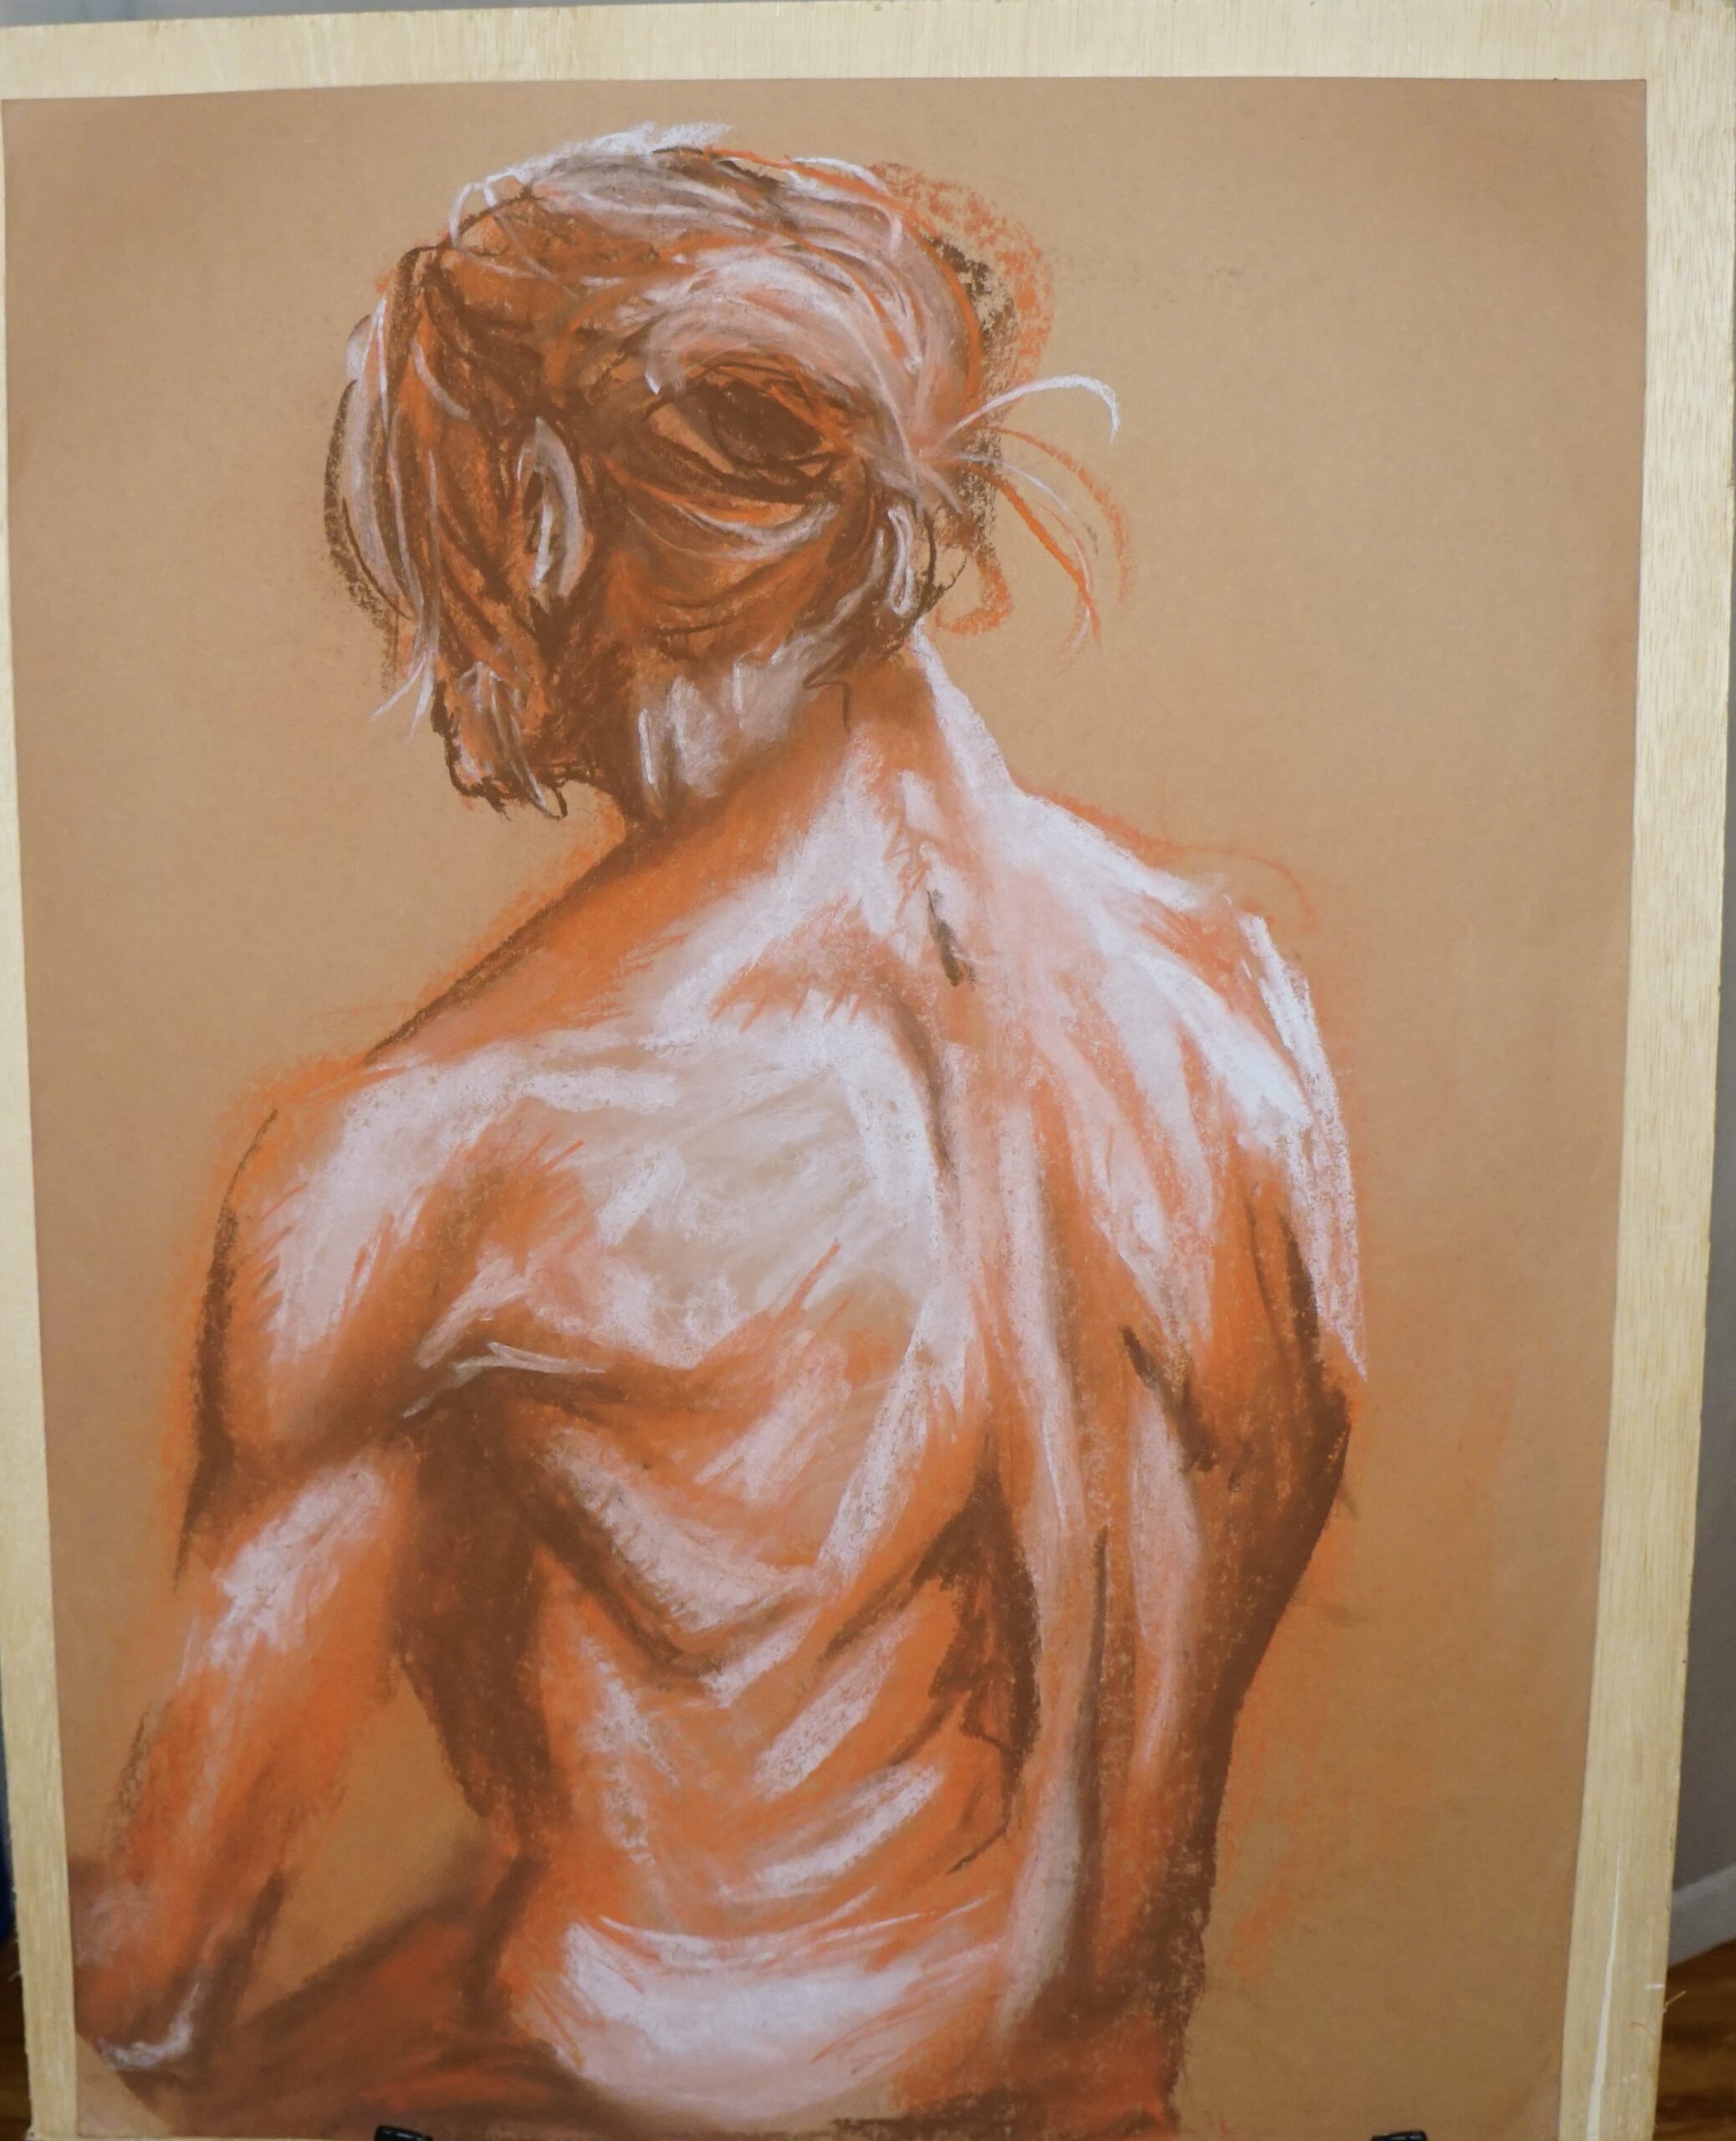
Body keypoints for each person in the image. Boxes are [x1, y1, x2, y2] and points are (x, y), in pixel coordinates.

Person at [73, 129, 1362, 2140]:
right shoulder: (1230, 1003)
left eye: (423, 535)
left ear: (548, 517)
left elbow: (155, 1980)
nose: (424, 641)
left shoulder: (436, 1153)